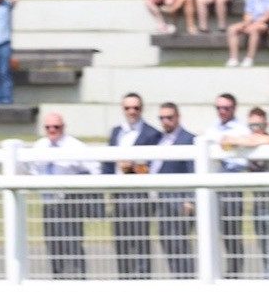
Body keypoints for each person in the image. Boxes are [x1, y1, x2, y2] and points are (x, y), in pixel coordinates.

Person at [223, 106, 269, 277]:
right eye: (252, 126)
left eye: (259, 125)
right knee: (265, 248)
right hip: (259, 205)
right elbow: (225, 141)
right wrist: (246, 141)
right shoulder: (249, 144)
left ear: (266, 124)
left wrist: (250, 140)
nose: (255, 130)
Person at [31, 113, 96, 279]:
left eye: (56, 127)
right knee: (53, 244)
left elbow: (94, 168)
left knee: (73, 243)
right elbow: (31, 169)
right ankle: (58, 279)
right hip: (48, 203)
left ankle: (79, 279)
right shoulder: (39, 146)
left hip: (70, 202)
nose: (52, 130)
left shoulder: (75, 146)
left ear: (63, 127)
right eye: (48, 127)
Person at [108, 92, 162, 278]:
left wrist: (132, 166)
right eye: (127, 108)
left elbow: (154, 167)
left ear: (142, 109)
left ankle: (143, 278)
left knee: (140, 238)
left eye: (136, 108)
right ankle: (124, 277)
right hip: (119, 194)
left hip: (140, 195)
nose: (132, 111)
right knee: (121, 239)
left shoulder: (152, 133)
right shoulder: (116, 132)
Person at [152, 102, 198, 278]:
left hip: (179, 201)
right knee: (166, 240)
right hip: (162, 200)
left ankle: (186, 278)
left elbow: (193, 170)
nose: (165, 121)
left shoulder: (188, 139)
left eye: (169, 117)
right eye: (162, 118)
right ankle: (177, 276)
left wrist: (190, 200)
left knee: (179, 241)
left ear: (178, 117)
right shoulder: (159, 139)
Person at [207, 92, 250, 276]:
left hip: (232, 182)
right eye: (219, 107)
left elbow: (244, 162)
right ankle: (214, 272)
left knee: (232, 230)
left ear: (234, 108)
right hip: (213, 184)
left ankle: (235, 272)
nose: (222, 111)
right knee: (212, 229)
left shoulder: (241, 130)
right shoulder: (212, 129)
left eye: (226, 107)